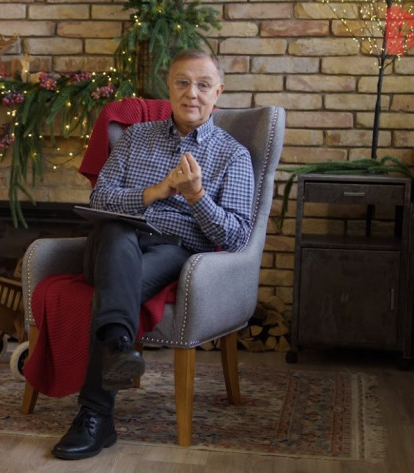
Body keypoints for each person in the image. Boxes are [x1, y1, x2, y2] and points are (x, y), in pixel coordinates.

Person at [51, 49, 255, 460]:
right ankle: (112, 363)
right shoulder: (135, 138)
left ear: (218, 92)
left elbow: (236, 237)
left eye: (203, 85)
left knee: (113, 292)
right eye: (183, 82)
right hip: (111, 243)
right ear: (169, 87)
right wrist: (156, 192)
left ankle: (98, 406)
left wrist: (197, 196)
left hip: (173, 252)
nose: (192, 93)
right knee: (116, 230)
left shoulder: (233, 155)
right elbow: (101, 198)